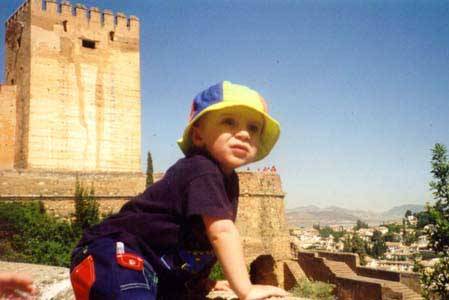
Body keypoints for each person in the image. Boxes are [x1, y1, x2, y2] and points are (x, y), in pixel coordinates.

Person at [70, 81, 288, 299]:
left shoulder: (228, 180)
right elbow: (221, 233)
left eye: (253, 128)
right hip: (113, 253)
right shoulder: (202, 169)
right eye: (229, 122)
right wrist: (245, 289)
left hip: (147, 267)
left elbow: (198, 242)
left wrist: (199, 282)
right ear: (198, 136)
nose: (243, 134)